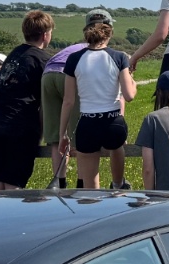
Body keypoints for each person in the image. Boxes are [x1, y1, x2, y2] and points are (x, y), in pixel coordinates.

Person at [44, 10, 129, 189]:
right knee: (117, 155)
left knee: (90, 190)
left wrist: (63, 134)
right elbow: (128, 95)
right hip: (113, 121)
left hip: (88, 123)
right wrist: (133, 83)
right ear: (110, 31)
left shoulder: (74, 58)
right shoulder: (119, 57)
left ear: (86, 32)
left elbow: (68, 101)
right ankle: (117, 185)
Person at [0, 11, 55, 190]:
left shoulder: (13, 55)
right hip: (19, 125)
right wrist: (41, 133)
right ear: (45, 35)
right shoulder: (43, 60)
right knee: (14, 183)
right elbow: (46, 102)